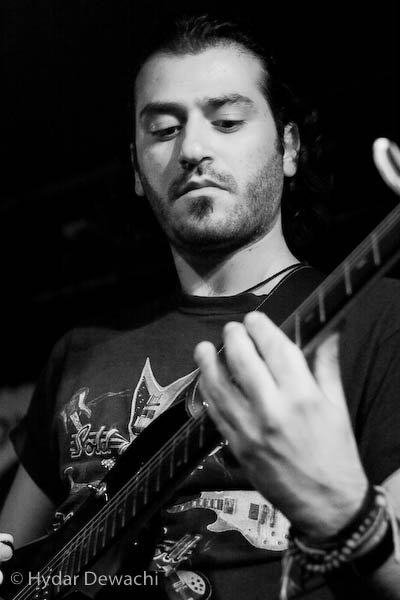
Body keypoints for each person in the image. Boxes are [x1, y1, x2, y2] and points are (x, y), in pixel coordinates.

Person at [1, 14, 400, 600]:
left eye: (227, 121)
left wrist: (347, 517)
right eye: (164, 130)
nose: (192, 149)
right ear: (137, 171)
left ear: (289, 148)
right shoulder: (81, 349)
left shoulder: (379, 315)